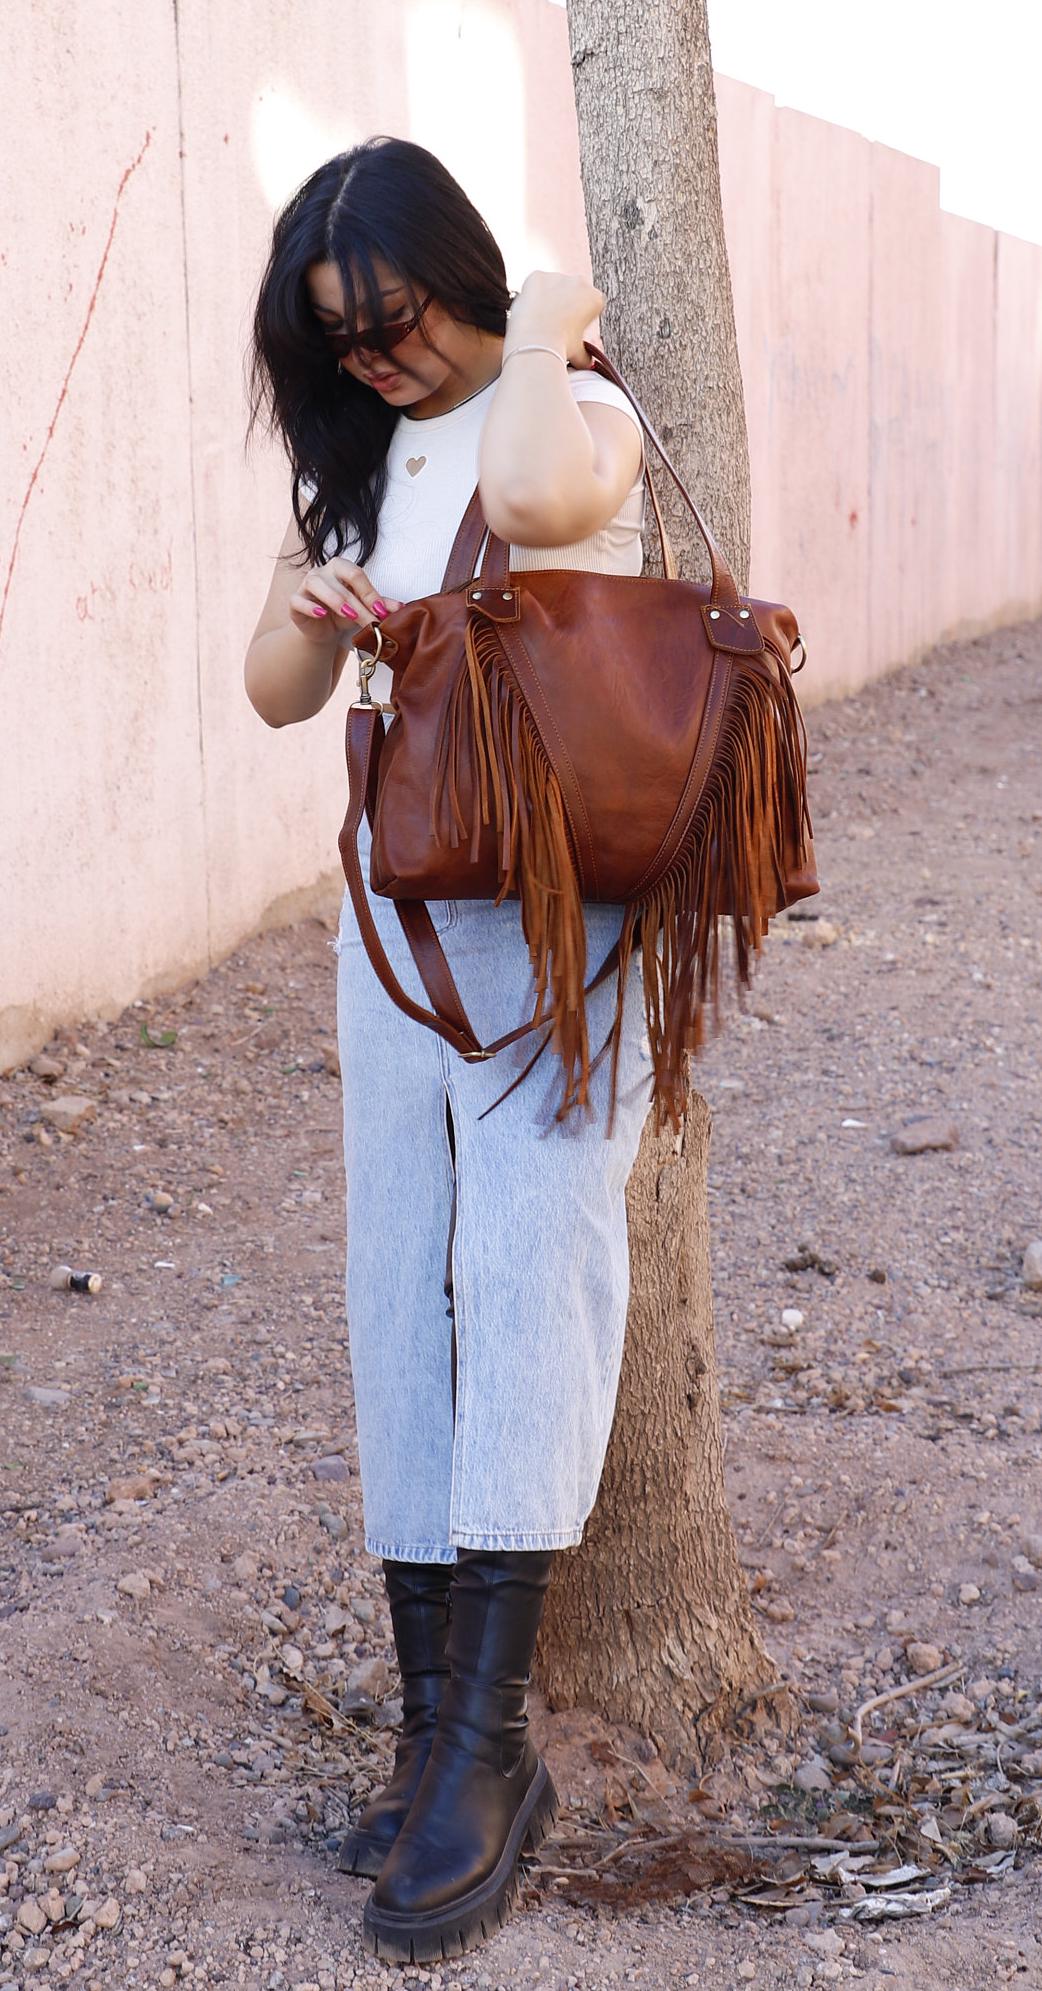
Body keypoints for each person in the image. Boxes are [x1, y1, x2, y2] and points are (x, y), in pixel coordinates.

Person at [244, 133, 655, 1964]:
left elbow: (544, 515)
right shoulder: (349, 459)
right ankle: (430, 1732)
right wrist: (320, 606)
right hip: (397, 916)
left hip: (567, 919)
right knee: (394, 1281)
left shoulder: (576, 416)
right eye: (336, 340)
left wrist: (551, 321)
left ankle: (494, 1748)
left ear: (462, 280)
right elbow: (268, 687)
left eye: (393, 321)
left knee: (526, 1267)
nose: (372, 363)